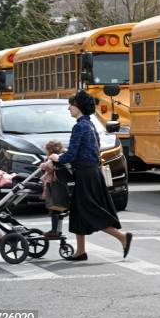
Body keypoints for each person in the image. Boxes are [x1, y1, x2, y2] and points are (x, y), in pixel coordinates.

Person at [49, 90, 132, 261]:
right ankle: (81, 251)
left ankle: (122, 237)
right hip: (91, 172)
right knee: (79, 213)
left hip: (86, 175)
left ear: (78, 106)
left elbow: (71, 155)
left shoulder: (79, 126)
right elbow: (88, 148)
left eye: (71, 105)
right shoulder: (90, 124)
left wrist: (57, 157)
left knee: (91, 211)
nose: (68, 108)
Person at [39, 140, 65, 238]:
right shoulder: (61, 157)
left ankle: (54, 230)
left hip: (51, 185)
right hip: (59, 185)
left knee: (53, 208)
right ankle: (57, 230)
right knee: (57, 209)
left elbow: (48, 167)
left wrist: (42, 165)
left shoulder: (52, 158)